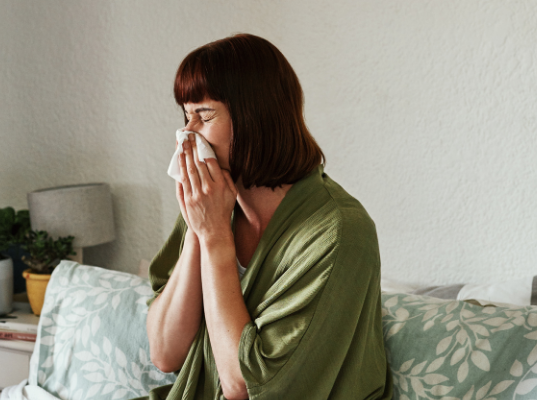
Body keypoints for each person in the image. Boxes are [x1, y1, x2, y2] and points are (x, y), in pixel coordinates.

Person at [140, 34, 393, 400]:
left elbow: (243, 387)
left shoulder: (339, 233)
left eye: (203, 115)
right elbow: (164, 353)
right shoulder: (212, 206)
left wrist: (214, 238)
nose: (186, 135)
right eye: (185, 115)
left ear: (255, 118)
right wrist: (199, 229)